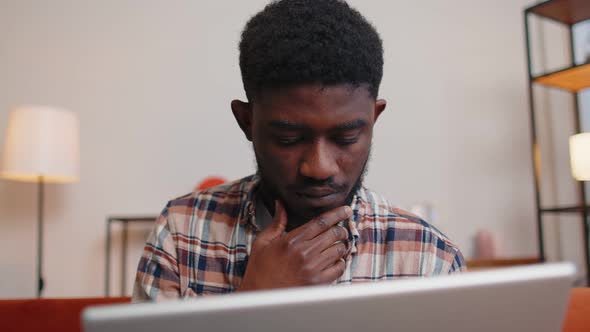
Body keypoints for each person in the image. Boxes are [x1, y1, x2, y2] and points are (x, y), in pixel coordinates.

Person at [133, 0, 465, 301]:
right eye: (289, 139)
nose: (319, 168)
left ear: (373, 119)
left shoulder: (428, 257)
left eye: (346, 137)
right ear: (246, 122)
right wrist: (251, 304)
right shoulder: (182, 233)